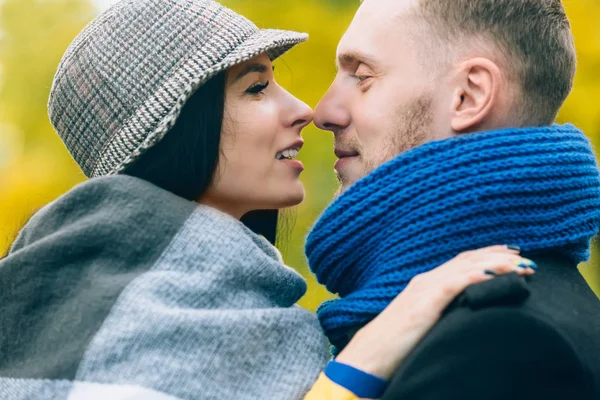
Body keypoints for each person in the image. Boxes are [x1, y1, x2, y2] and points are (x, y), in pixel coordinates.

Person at [0, 0, 535, 399]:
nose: (303, 108)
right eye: (255, 88)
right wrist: (387, 335)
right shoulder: (125, 322)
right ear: (177, 130)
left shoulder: (233, 303)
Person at [307, 0, 600, 399]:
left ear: (468, 95)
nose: (324, 112)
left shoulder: (500, 345)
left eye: (362, 76)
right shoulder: (500, 319)